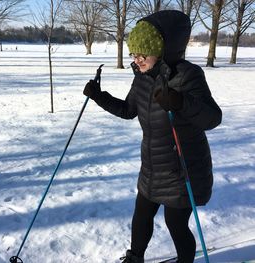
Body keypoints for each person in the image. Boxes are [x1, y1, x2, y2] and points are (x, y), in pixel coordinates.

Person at [83, 10, 222, 263]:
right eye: (133, 55)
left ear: (161, 50)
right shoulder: (142, 78)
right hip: (152, 167)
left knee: (175, 224)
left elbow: (212, 118)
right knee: (141, 216)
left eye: (142, 54)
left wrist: (180, 102)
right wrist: (98, 95)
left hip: (183, 169)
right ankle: (135, 258)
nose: (137, 61)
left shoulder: (187, 75)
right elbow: (128, 110)